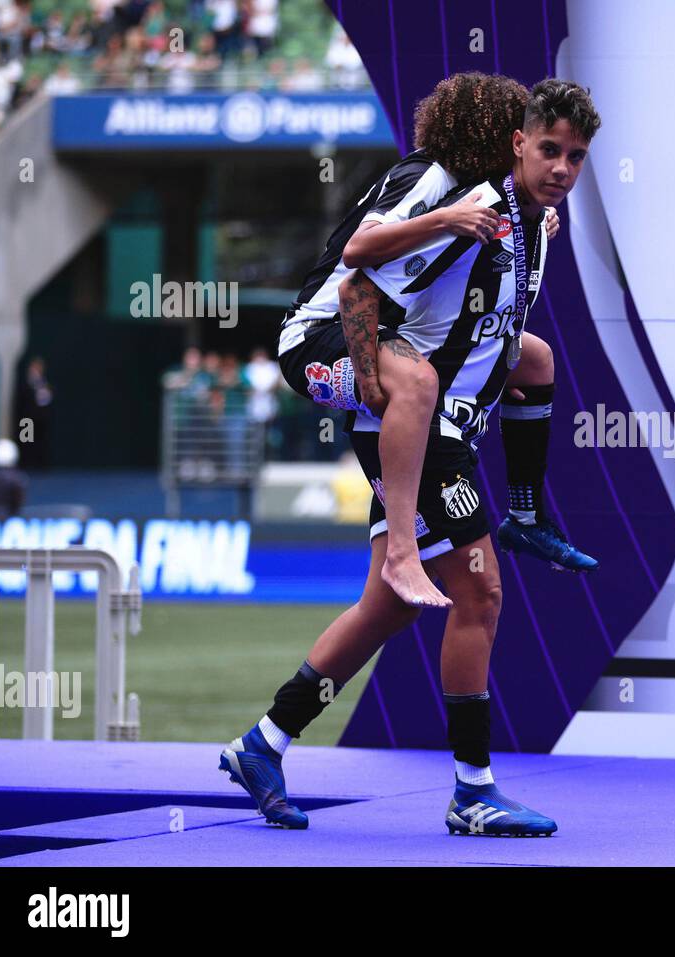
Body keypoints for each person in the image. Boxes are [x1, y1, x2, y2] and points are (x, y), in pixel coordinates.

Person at [223, 78, 601, 836]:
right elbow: (359, 286)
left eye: (576, 156)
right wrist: (383, 385)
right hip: (391, 401)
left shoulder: (527, 223)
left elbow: (502, 343)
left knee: (386, 609)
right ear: (512, 144)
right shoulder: (466, 207)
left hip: (430, 427)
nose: (559, 165)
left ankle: (262, 742)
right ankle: (472, 790)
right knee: (480, 593)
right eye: (544, 147)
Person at [276, 72, 595, 610]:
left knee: (534, 357)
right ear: (500, 137)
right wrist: (380, 383)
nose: (543, 162)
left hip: (379, 328)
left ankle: (525, 515)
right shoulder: (432, 176)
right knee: (418, 384)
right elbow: (358, 260)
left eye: (571, 155)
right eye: (524, 139)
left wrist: (534, 227)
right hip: (317, 334)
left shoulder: (493, 201)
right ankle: (404, 551)